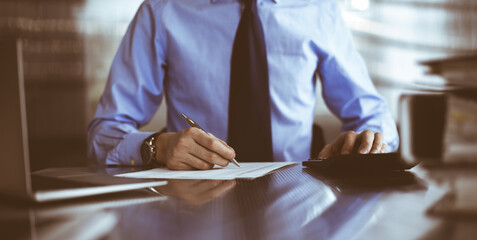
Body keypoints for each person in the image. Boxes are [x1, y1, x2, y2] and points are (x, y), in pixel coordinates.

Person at [88, 0, 399, 170]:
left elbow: (372, 114)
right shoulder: (161, 11)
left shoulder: (319, 11)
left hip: (298, 198)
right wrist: (157, 148)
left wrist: (364, 145)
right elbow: (103, 134)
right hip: (192, 207)